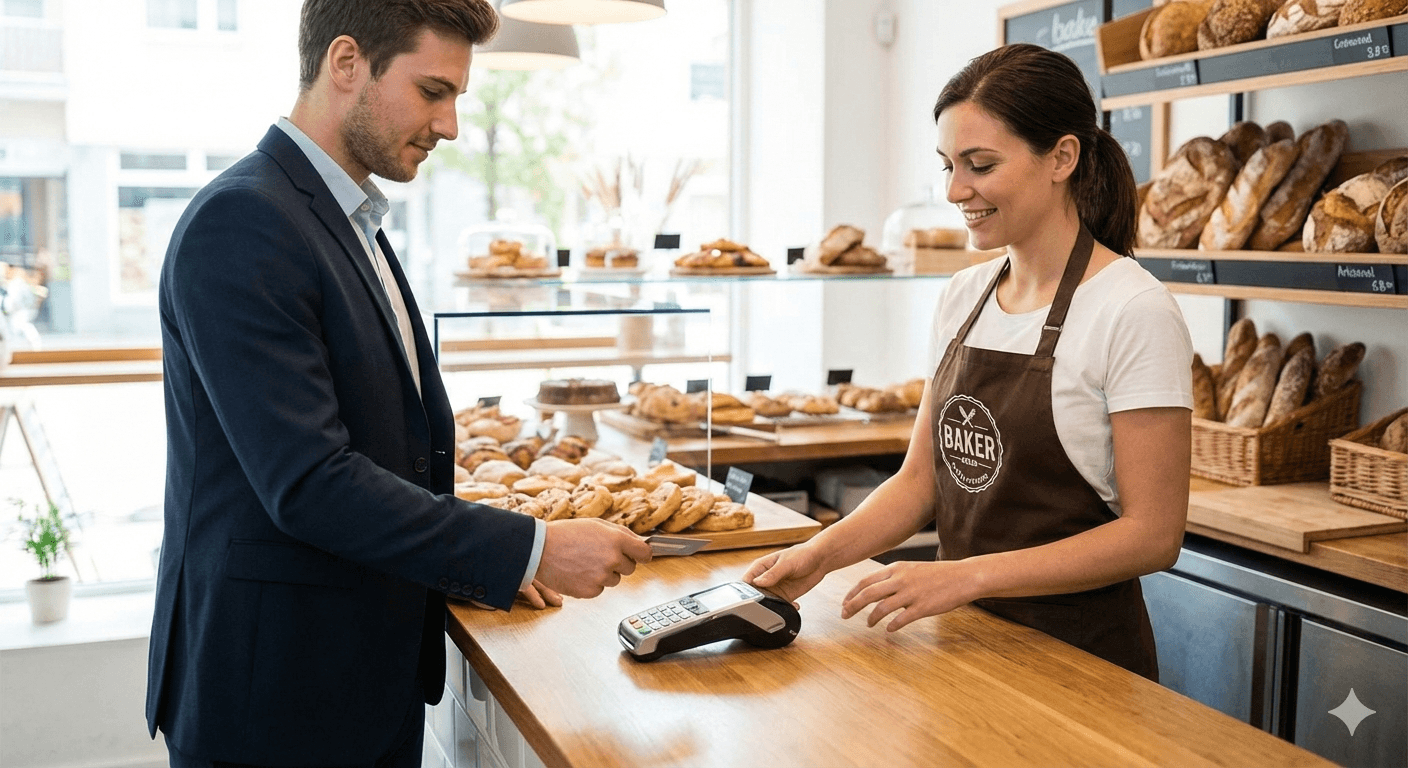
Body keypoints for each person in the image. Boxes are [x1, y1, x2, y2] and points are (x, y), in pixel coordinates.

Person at [147, 1, 652, 764]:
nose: (449, 125)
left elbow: (389, 444)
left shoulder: (344, 216)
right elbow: (311, 482)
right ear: (346, 64)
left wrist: (486, 566)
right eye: (433, 91)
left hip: (344, 675)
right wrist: (530, 549)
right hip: (274, 696)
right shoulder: (244, 222)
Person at [746, 44, 1192, 680]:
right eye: (949, 165)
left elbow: (1154, 534)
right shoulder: (965, 294)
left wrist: (967, 576)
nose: (956, 191)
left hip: (1084, 664)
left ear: (1062, 157)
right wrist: (817, 556)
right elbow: (920, 482)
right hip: (967, 644)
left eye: (980, 165)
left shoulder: (1133, 309)